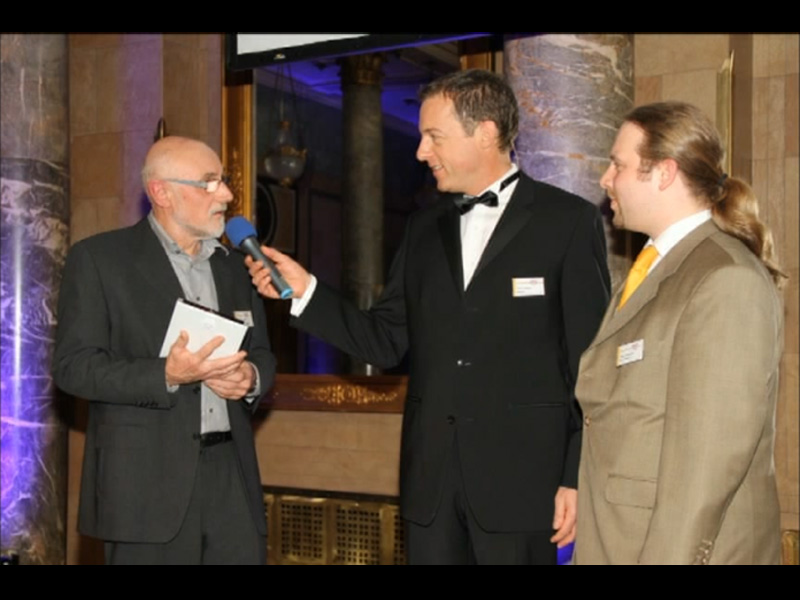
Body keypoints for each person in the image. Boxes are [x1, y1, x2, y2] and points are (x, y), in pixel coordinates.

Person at [248, 69, 611, 564]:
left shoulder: (567, 221)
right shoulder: (422, 228)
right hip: (431, 487)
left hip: (524, 486)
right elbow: (383, 341)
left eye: (433, 136)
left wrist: (577, 474)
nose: (421, 151)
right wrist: (305, 290)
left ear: (485, 133)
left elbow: (590, 366)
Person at [574, 101, 786, 565]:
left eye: (618, 165)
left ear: (664, 173)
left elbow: (706, 466)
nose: (605, 179)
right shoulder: (658, 265)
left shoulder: (724, 278)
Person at [53, 136, 276, 564]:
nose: (226, 196)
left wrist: (251, 379)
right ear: (162, 192)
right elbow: (73, 367)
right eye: (209, 183)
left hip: (232, 480)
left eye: (223, 181)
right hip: (144, 488)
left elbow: (263, 353)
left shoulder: (234, 268)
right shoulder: (100, 259)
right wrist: (166, 374)